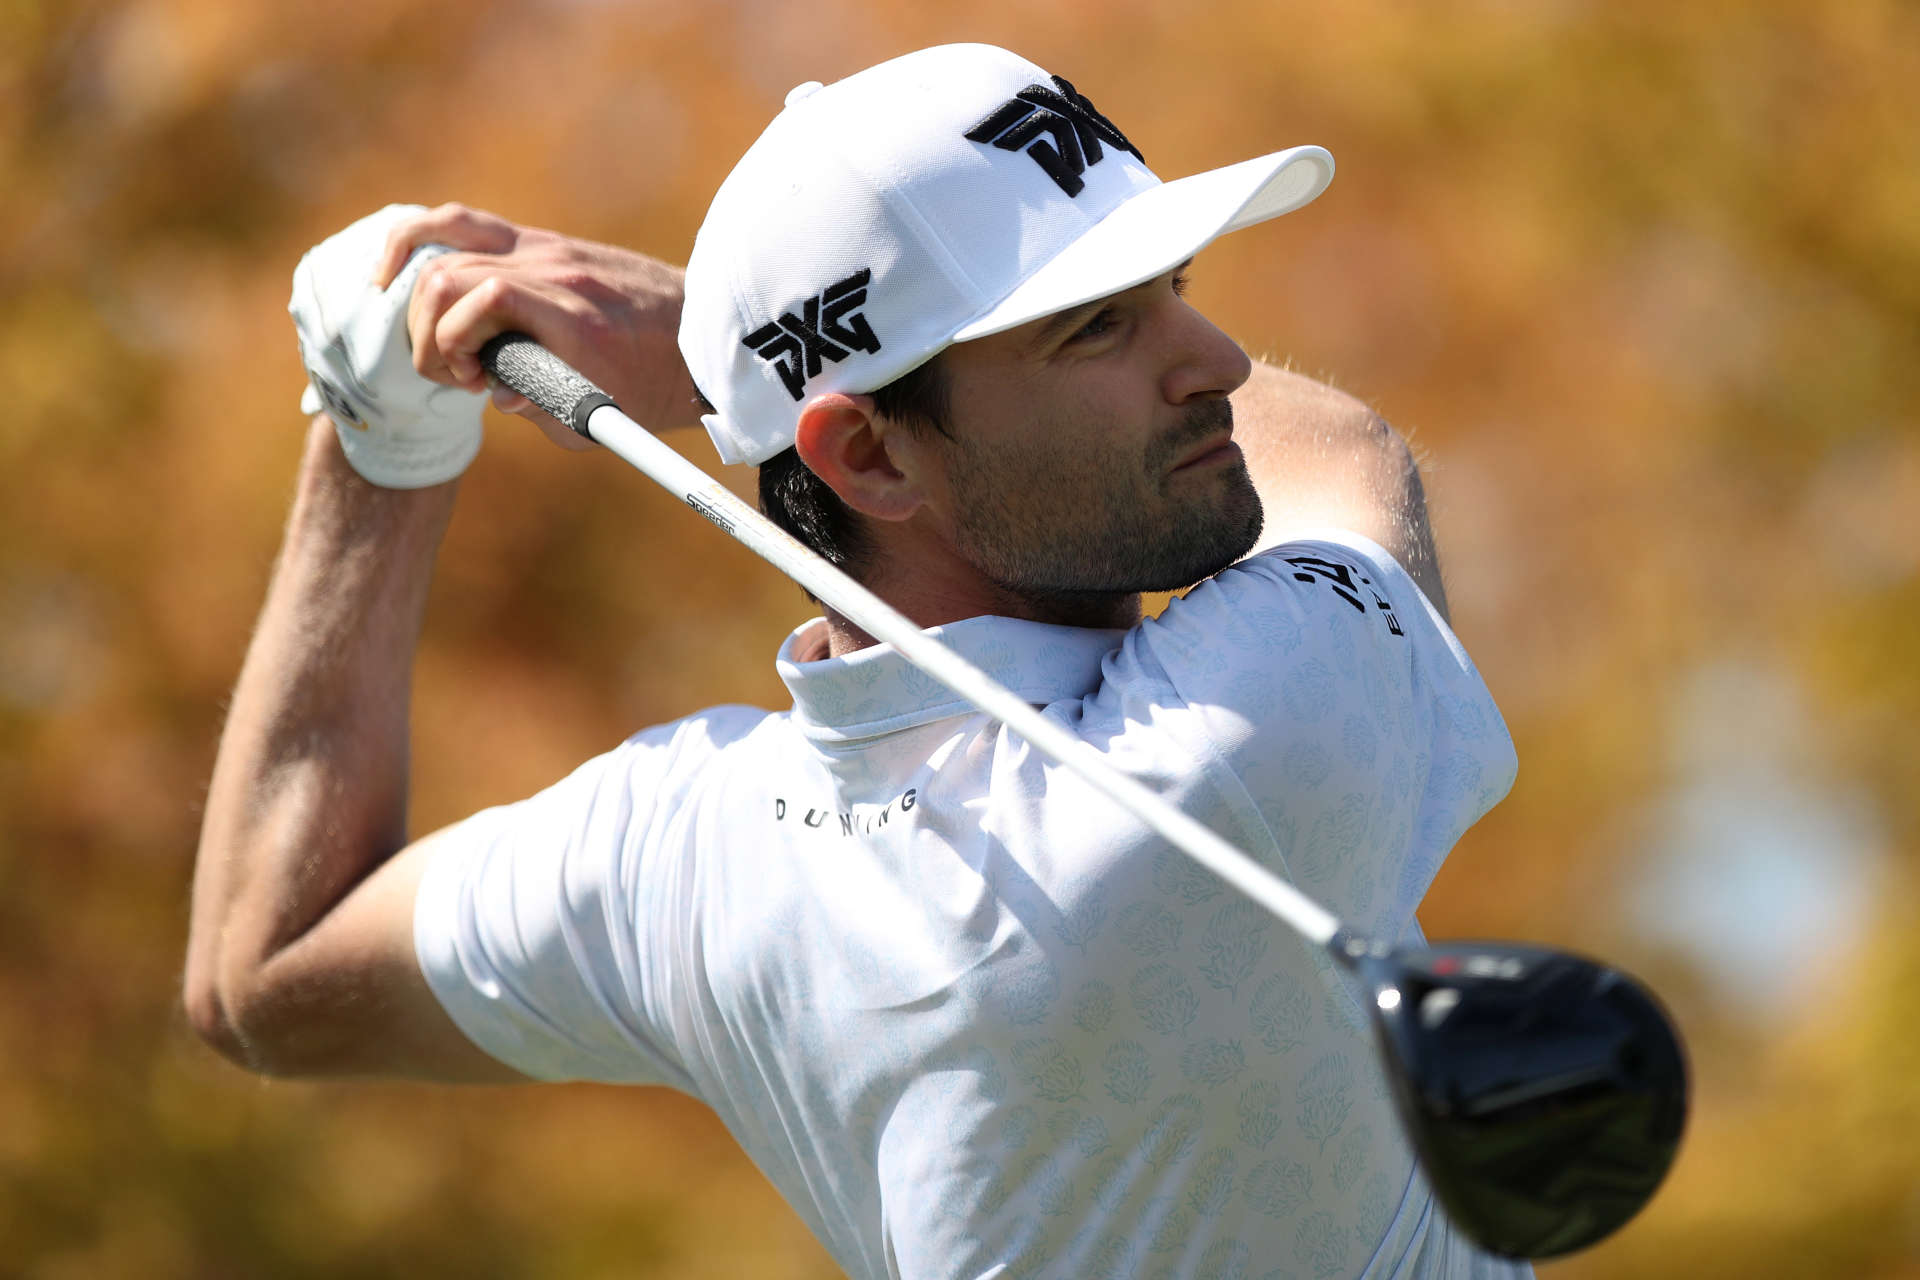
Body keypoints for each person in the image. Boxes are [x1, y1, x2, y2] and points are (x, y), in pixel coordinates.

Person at [186, 43, 1530, 1280]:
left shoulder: (683, 852)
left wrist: (382, 440)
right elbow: (1344, 453)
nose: (1219, 360)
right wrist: (675, 343)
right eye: (1100, 328)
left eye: (1170, 291)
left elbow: (266, 969)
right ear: (871, 456)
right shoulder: (1244, 747)